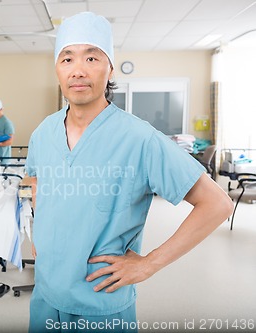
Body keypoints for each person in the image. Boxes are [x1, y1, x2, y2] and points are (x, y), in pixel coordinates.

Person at [24, 12, 233, 332]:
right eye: (67, 58)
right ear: (57, 68)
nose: (77, 70)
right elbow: (34, 179)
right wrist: (39, 227)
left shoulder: (139, 138)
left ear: (109, 68)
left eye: (91, 57)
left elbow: (217, 204)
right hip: (45, 296)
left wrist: (149, 264)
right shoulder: (42, 133)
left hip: (101, 303)